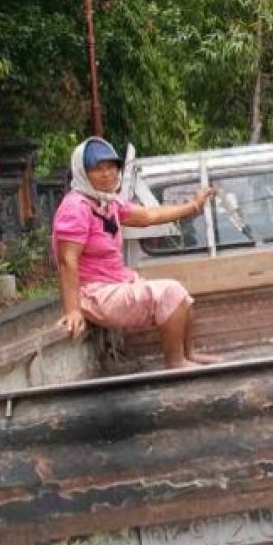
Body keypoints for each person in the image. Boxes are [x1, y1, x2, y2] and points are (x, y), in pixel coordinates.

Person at [52, 137, 221, 370]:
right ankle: (176, 362)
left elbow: (149, 216)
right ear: (82, 172)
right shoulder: (75, 207)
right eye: (98, 169)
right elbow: (66, 260)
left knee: (183, 300)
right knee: (170, 291)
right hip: (93, 293)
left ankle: (189, 354)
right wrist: (72, 310)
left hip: (117, 282)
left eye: (111, 167)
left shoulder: (108, 202)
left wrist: (193, 206)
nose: (107, 174)